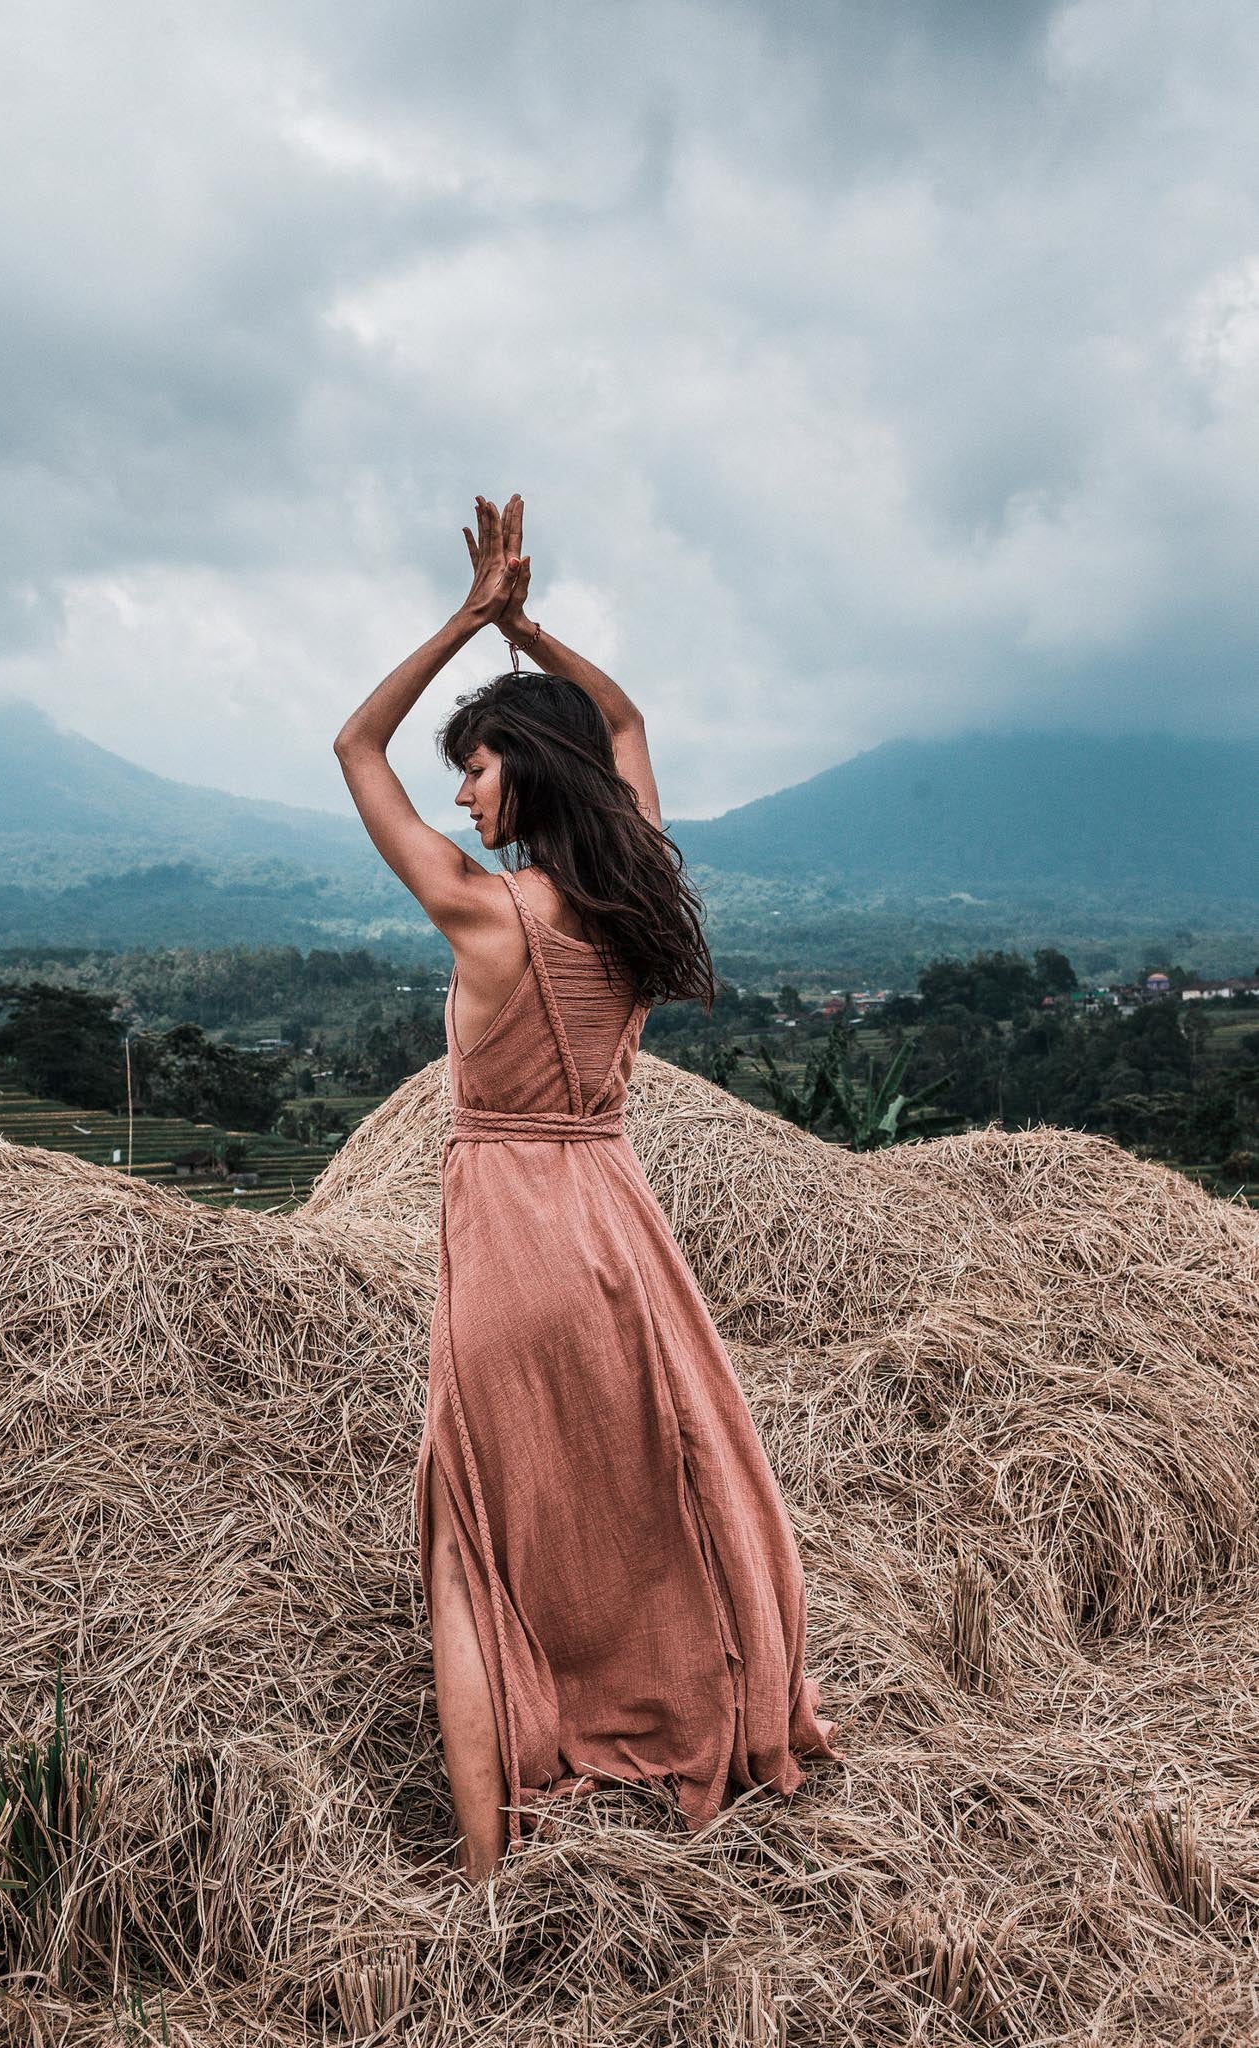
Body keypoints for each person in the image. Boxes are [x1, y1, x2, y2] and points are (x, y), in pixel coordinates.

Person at [333, 494, 842, 1883]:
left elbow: (351, 745)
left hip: (504, 1230)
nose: (461, 794)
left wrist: (467, 620)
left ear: (528, 775)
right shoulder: (631, 902)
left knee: (470, 1533)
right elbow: (624, 730)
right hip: (617, 1226)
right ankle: (686, 1699)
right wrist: (523, 629)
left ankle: (490, 1873)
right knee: (652, 1490)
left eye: (480, 767)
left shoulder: (478, 910)